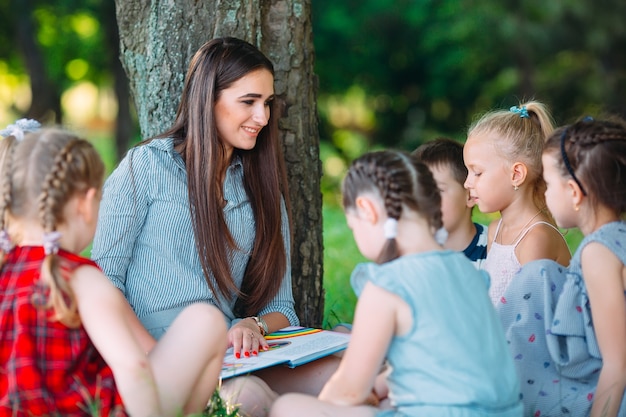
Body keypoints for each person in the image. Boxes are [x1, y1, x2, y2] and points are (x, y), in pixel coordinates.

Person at [90, 37, 337, 416]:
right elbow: (104, 288)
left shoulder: (261, 186)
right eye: (249, 102)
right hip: (155, 359)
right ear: (208, 99)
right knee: (251, 397)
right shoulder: (146, 167)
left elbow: (282, 308)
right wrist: (158, 358)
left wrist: (252, 325)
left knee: (343, 372)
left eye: (267, 104)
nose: (263, 118)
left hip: (231, 355)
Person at [270, 150, 523, 417]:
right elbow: (440, 358)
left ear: (367, 210)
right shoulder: (465, 270)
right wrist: (381, 386)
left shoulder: (385, 285)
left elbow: (348, 390)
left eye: (353, 226)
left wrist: (326, 401)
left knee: (286, 407)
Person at [0, 122, 226, 417]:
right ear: (86, 203)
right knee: (206, 320)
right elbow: (133, 367)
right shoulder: (81, 277)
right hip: (94, 410)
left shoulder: (7, 271)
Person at [498, 117, 626, 417]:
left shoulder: (599, 253)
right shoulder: (615, 238)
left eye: (549, 184)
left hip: (608, 396)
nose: (545, 194)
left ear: (573, 192)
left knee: (533, 277)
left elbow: (617, 364)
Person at [463, 101, 571, 305]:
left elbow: (529, 324)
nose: (467, 182)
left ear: (516, 174)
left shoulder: (536, 239)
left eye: (477, 172)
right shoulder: (495, 230)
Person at [413, 137, 488, 268]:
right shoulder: (413, 254)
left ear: (470, 196)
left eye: (436, 190)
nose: (423, 200)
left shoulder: (494, 249)